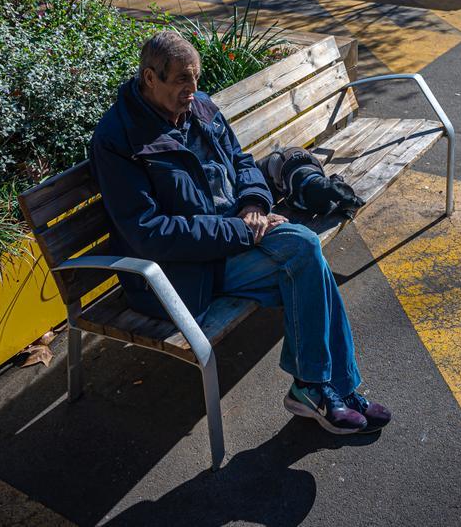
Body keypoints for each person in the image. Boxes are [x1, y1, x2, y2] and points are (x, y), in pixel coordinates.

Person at [88, 31, 393, 436]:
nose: (192, 90)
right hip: (182, 272)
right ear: (149, 78)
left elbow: (243, 161)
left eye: (195, 78)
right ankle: (326, 387)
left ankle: (323, 387)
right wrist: (241, 231)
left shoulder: (200, 108)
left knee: (305, 256)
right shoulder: (119, 140)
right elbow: (151, 232)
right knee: (305, 257)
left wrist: (254, 204)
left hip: (233, 239)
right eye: (181, 80)